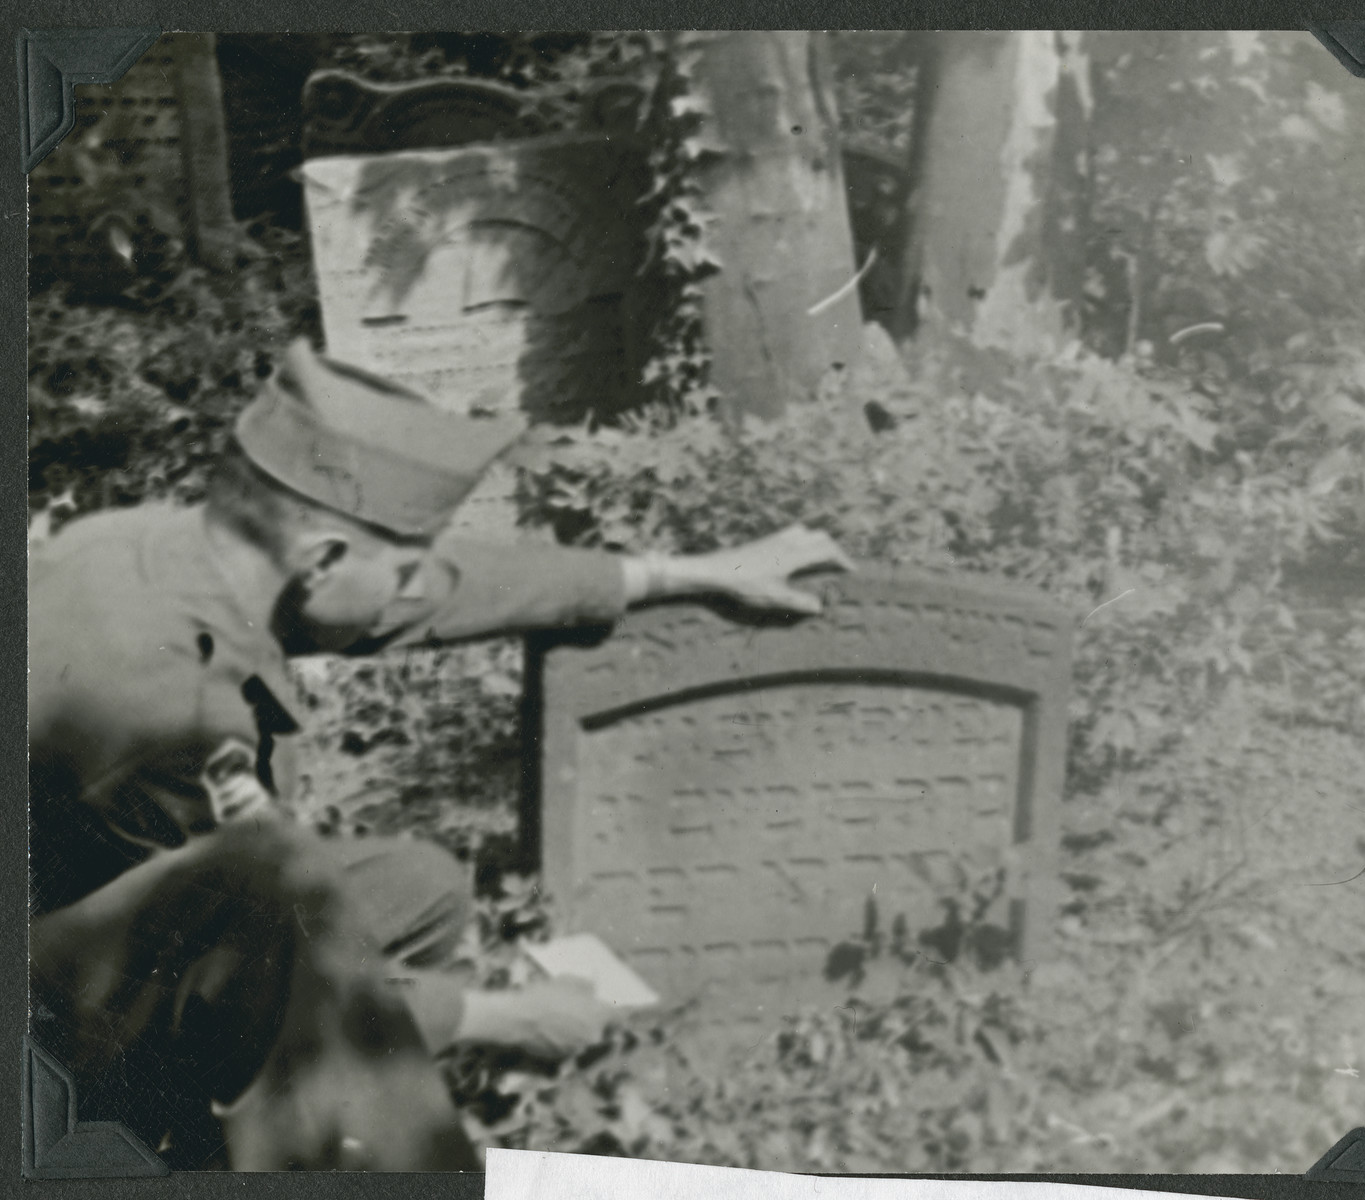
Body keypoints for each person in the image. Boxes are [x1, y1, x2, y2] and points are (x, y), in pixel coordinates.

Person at [28, 339, 852, 1171]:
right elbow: (265, 957)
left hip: (94, 914)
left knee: (418, 888)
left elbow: (443, 587)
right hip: (38, 1046)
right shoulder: (167, 718)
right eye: (402, 570)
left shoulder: (163, 546)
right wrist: (505, 1017)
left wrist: (686, 574)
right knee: (276, 906)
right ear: (322, 560)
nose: (409, 592)